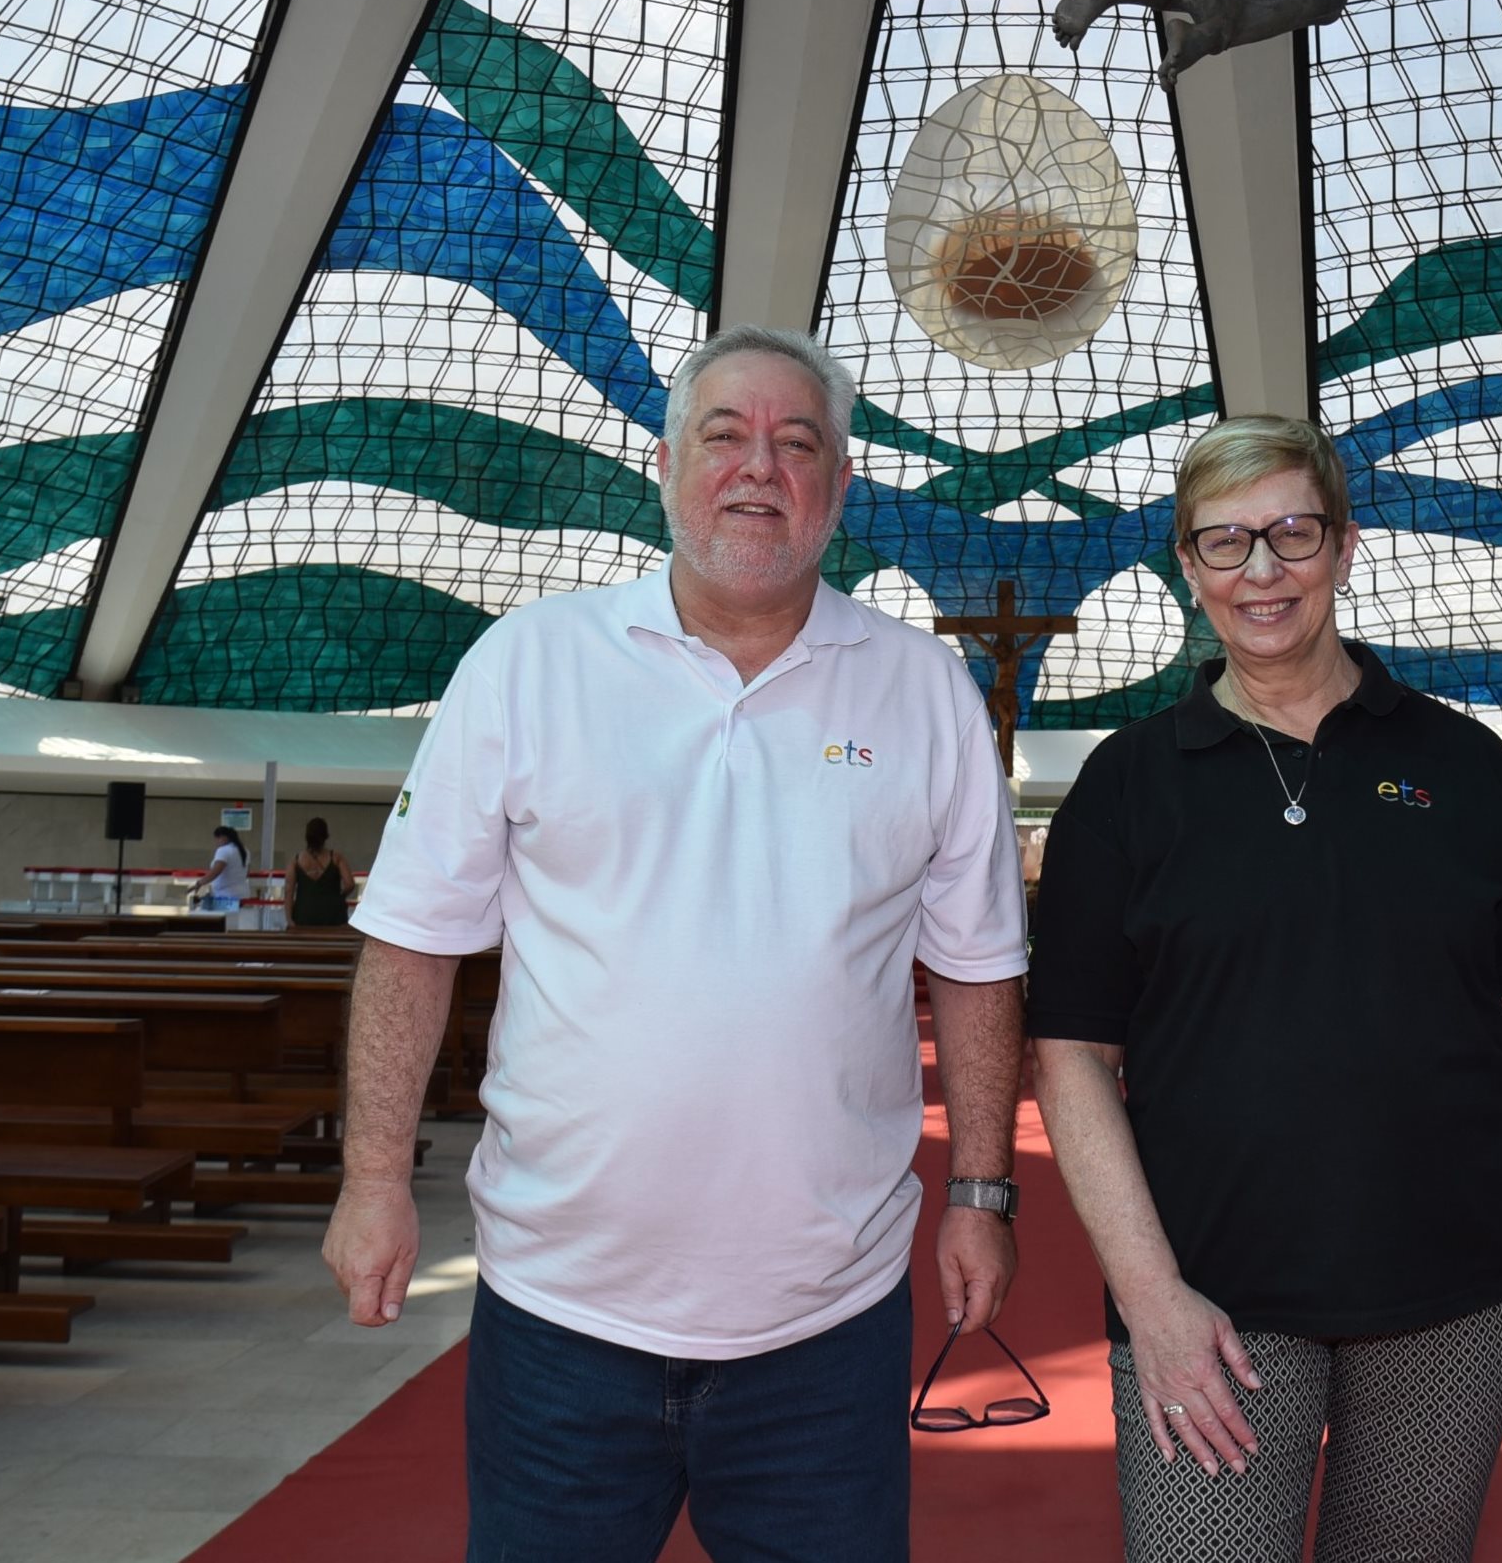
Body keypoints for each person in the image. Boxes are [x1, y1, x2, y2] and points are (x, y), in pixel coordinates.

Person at [322, 326, 1028, 1563]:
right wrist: (375, 1177)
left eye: (798, 443)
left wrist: (980, 1191)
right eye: (726, 435)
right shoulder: (526, 665)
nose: (760, 467)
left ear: (840, 487)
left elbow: (977, 966)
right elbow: (411, 942)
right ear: (663, 465)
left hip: (828, 1322)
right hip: (560, 1315)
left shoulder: (924, 692)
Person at [1028, 415, 1502, 1563]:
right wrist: (1151, 1296)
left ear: (1343, 547)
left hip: (1460, 1294)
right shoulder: (1127, 784)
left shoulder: (1466, 766)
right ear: (1187, 568)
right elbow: (1072, 1057)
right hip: (1213, 1300)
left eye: (1292, 533)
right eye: (1226, 542)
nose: (1262, 571)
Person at [282, 818, 356, 928]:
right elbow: (350, 884)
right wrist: (338, 896)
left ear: (307, 837)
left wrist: (289, 919)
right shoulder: (336, 858)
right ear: (325, 836)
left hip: (304, 915)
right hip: (333, 916)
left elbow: (289, 891)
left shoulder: (296, 861)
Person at [192, 826, 249, 914]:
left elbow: (216, 872)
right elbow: (247, 872)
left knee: (200, 912)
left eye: (217, 839)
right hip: (241, 895)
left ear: (223, 837)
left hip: (225, 896)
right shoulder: (244, 851)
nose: (216, 843)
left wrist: (200, 883)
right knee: (230, 922)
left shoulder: (224, 851)